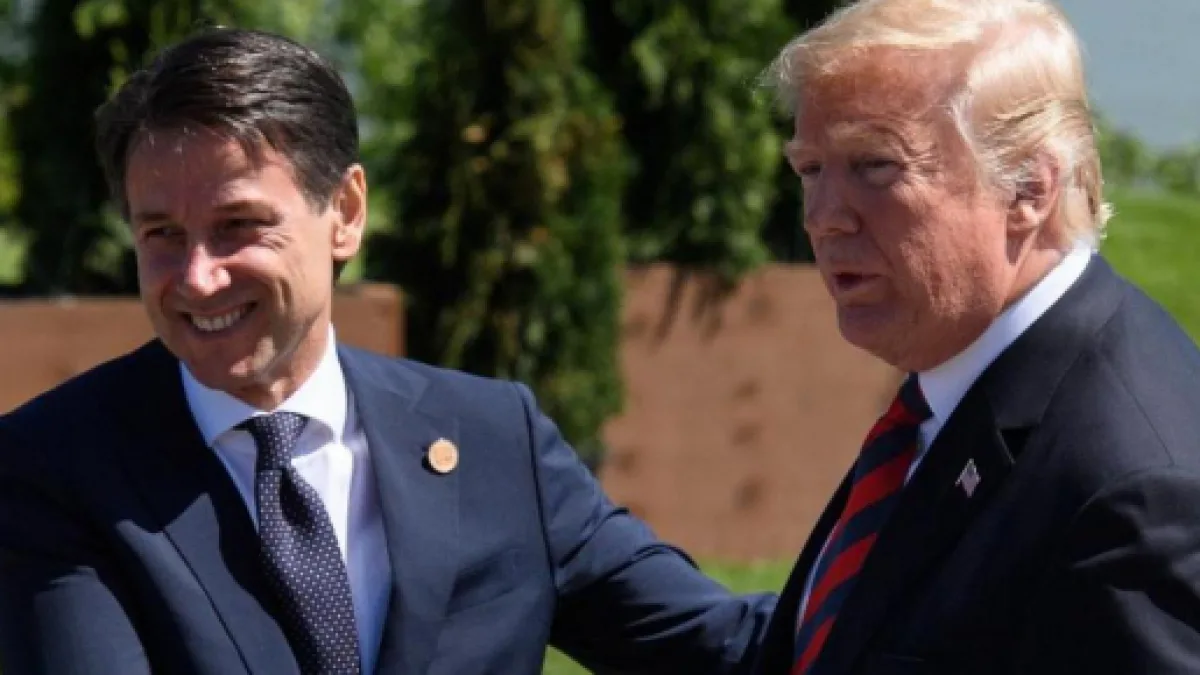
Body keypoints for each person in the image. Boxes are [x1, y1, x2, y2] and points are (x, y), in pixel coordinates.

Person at [0, 28, 774, 675]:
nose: (198, 276)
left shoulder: (493, 439)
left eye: (238, 226)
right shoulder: (53, 467)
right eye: (162, 235)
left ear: (345, 211)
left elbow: (729, 650)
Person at [752, 1, 1200, 674]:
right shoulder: (963, 377)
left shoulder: (1127, 489)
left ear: (1029, 188)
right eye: (811, 169)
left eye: (876, 165)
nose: (824, 217)